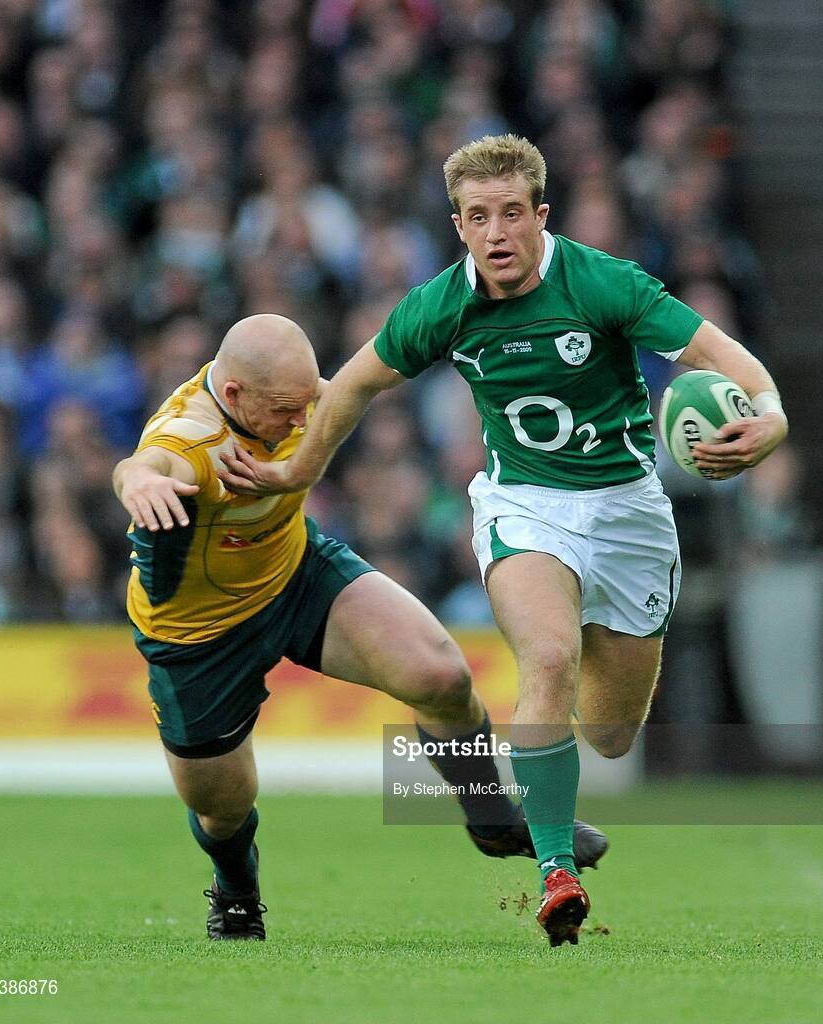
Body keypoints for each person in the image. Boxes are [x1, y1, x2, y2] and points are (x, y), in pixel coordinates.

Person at [216, 137, 789, 946]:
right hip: (524, 506)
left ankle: (545, 779)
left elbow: (719, 354)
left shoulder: (603, 282)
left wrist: (771, 416)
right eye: (478, 217)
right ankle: (555, 872)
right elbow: (350, 388)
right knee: (546, 661)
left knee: (613, 734)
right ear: (458, 225)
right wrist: (290, 475)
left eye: (512, 213)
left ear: (539, 215)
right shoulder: (441, 306)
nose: (497, 233)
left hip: (627, 514)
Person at [112, 312, 606, 941]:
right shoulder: (190, 440)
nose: (302, 421)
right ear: (232, 395)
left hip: (297, 575)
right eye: (285, 410)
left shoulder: (293, 394)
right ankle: (236, 887)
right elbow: (145, 464)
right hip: (199, 635)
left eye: (306, 401)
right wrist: (137, 482)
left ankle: (491, 819)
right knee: (221, 805)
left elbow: (360, 383)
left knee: (442, 677)